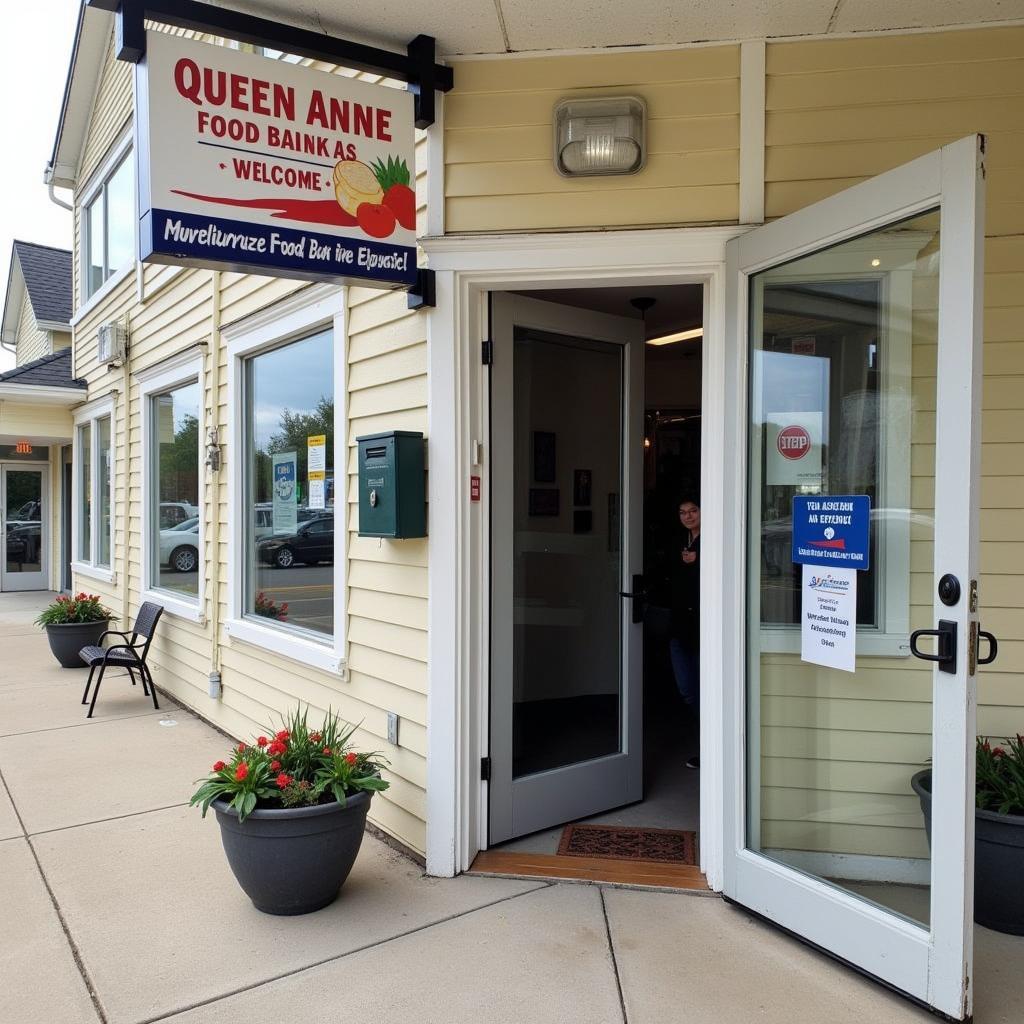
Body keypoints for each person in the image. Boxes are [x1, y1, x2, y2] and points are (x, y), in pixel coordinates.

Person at [670, 497, 701, 769]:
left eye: (693, 511)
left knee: (705, 689)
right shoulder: (678, 542)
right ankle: (706, 743)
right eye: (683, 512)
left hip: (704, 628)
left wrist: (698, 561)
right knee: (687, 689)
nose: (688, 516)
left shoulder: (712, 540)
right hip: (680, 628)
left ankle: (708, 749)